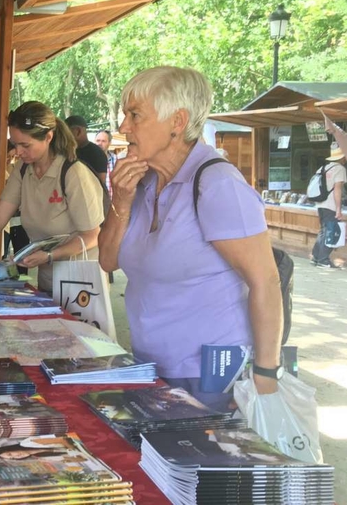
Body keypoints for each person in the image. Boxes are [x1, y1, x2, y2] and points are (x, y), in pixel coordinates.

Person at [98, 66, 282, 411]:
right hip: (152, 365)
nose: (124, 127)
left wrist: (265, 376)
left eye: (134, 115)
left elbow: (266, 282)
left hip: (212, 374)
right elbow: (107, 261)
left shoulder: (218, 184)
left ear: (177, 122)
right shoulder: (145, 182)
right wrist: (120, 200)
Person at [0, 101, 104, 291]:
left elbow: (92, 236)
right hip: (48, 276)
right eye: (15, 144)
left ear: (48, 137)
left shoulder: (73, 173)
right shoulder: (23, 169)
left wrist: (50, 255)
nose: (18, 152)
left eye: (25, 145)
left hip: (81, 281)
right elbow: (0, 215)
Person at [310, 143, 346, 269]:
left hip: (320, 204)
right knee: (331, 232)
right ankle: (323, 260)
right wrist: (338, 209)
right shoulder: (340, 169)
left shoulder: (322, 168)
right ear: (342, 157)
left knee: (323, 231)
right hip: (330, 205)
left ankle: (316, 257)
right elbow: (337, 190)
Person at [65, 115, 108, 183]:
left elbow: (100, 184)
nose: (64, 136)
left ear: (78, 131)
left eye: (66, 132)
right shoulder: (66, 151)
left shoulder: (97, 154)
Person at [95, 129, 117, 196]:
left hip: (112, 202)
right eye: (98, 140)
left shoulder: (116, 160)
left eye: (103, 141)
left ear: (110, 143)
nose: (100, 143)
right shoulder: (88, 160)